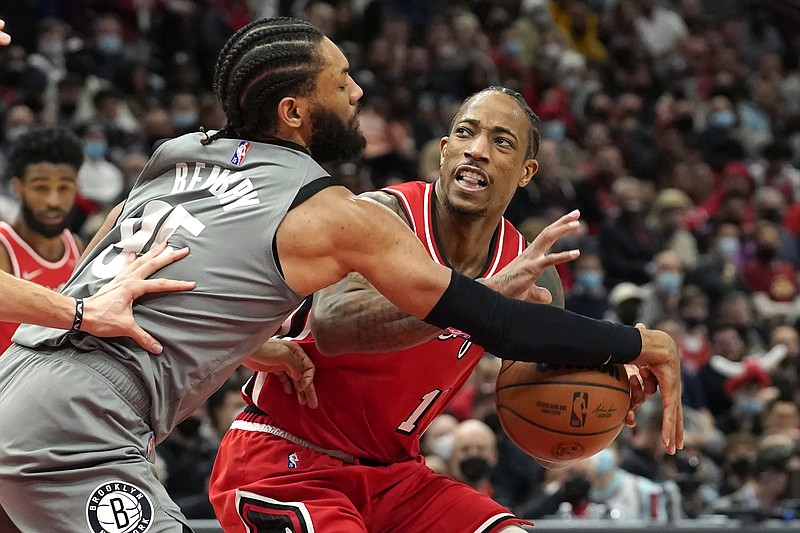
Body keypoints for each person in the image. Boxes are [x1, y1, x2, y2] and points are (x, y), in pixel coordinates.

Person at [0, 18, 682, 532]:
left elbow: (148, 258)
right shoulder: (334, 212)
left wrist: (254, 341)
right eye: (340, 81)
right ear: (295, 112)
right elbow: (492, 319)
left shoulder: (179, 154)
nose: (358, 91)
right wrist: (636, 340)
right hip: (88, 431)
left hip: (23, 386)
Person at [209, 86, 671, 533]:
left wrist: (599, 395)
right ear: (446, 150)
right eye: (467, 134)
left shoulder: (533, 272)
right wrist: (485, 295)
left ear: (527, 172)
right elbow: (335, 325)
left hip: (397, 478)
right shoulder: (380, 216)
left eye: (501, 141)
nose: (478, 150)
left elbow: (541, 431)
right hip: (288, 458)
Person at [0, 126, 85, 352]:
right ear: (18, 188)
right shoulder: (3, 246)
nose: (53, 201)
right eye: (41, 188)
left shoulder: (75, 245)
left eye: (64, 187)